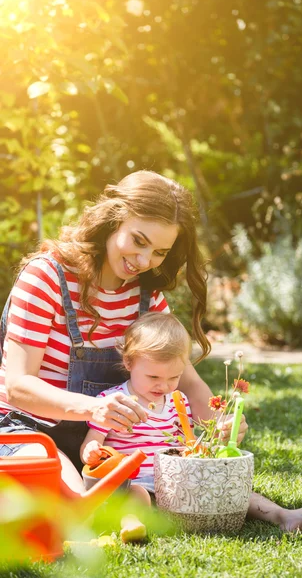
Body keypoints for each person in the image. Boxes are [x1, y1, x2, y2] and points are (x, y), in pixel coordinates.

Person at [0, 170, 246, 495]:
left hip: (100, 442)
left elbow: (185, 380)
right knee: (66, 494)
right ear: (114, 219)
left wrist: (220, 421)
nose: (144, 261)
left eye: (160, 253)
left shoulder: (147, 298)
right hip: (27, 429)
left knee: (189, 486)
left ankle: (281, 516)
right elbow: (17, 385)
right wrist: (92, 408)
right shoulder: (46, 277)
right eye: (138, 241)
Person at [81, 312, 302, 533]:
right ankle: (131, 524)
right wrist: (92, 452)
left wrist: (223, 430)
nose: (164, 386)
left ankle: (284, 516)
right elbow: (91, 445)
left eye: (174, 377)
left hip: (177, 486)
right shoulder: (114, 401)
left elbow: (196, 440)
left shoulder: (178, 402)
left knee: (227, 488)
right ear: (128, 362)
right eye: (154, 376)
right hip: (134, 484)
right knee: (134, 496)